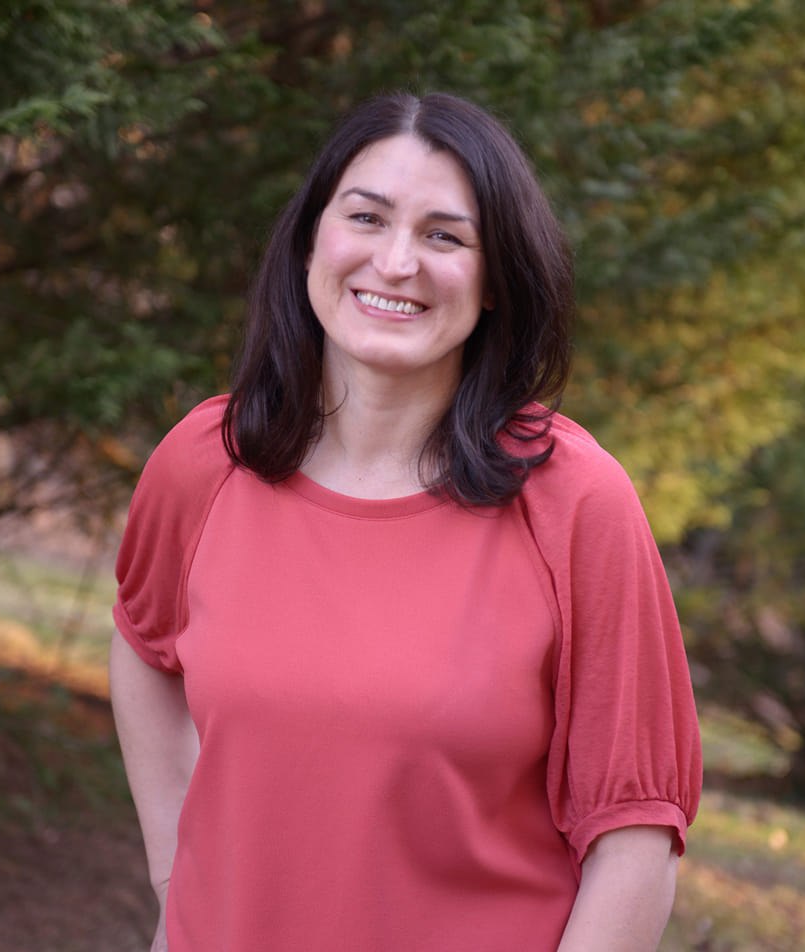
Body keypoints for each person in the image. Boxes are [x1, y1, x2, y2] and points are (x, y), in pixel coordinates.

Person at [110, 90, 702, 952]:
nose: (396, 263)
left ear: (496, 278)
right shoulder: (207, 459)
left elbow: (636, 835)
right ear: (313, 238)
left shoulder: (575, 503)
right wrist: (178, 882)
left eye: (444, 236)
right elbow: (143, 641)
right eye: (367, 218)